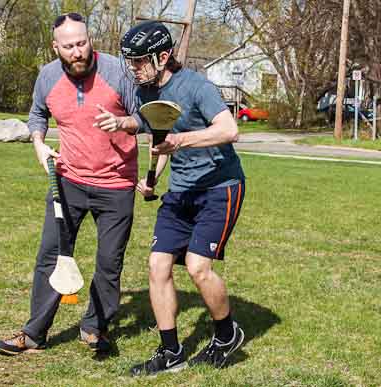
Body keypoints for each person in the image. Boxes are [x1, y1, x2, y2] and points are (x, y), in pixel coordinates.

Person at [0, 13, 142, 355]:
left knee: (109, 262)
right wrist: (38, 142)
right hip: (68, 181)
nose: (77, 52)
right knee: (51, 256)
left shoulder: (118, 72)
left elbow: (143, 118)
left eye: (82, 43)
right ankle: (34, 334)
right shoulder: (47, 76)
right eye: (69, 46)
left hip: (116, 184)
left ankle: (94, 328)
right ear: (55, 47)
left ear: (90, 40)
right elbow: (37, 114)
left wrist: (121, 123)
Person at [115, 20, 246, 375]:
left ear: (163, 56)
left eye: (140, 60)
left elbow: (229, 130)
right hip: (181, 191)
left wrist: (180, 142)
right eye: (131, 61)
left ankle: (226, 334)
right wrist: (152, 177)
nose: (133, 68)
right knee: (157, 266)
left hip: (221, 189)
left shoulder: (196, 86)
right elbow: (157, 138)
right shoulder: (145, 91)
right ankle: (170, 351)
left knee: (197, 267)